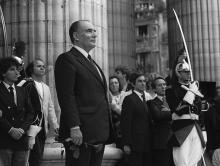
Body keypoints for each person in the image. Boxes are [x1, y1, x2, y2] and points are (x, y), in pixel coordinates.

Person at [54, 20, 113, 166]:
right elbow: (66, 96)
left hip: (98, 132)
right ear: (76, 36)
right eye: (89, 31)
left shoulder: (92, 62)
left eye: (94, 31)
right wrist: (74, 127)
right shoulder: (67, 59)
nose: (94, 34)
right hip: (80, 133)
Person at [166, 48, 205, 166]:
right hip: (181, 127)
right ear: (178, 72)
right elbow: (178, 110)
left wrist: (196, 93)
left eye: (189, 72)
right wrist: (191, 92)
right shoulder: (171, 90)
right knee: (181, 160)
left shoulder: (194, 88)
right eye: (185, 71)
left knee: (195, 159)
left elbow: (200, 109)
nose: (188, 74)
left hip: (196, 126)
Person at [18, 59, 59, 166]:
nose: (42, 68)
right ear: (31, 69)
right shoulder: (25, 83)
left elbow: (50, 108)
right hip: (27, 126)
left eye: (43, 66)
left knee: (37, 158)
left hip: (41, 127)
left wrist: (55, 125)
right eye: (39, 66)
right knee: (27, 158)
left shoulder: (46, 87)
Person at [0, 57, 35, 166]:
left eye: (17, 69)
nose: (17, 72)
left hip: (21, 139)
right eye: (12, 69)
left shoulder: (22, 90)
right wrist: (10, 129)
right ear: (3, 73)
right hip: (4, 140)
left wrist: (22, 129)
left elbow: (31, 113)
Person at [120, 72, 152, 166]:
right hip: (134, 144)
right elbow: (125, 122)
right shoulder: (129, 99)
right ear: (133, 84)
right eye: (140, 81)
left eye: (144, 81)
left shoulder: (147, 99)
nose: (143, 83)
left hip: (147, 143)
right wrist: (126, 143)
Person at [147, 77, 173, 166]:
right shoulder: (151, 103)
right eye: (160, 85)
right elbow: (158, 116)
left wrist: (167, 112)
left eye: (164, 84)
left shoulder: (173, 102)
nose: (163, 87)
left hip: (175, 140)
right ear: (154, 89)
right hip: (161, 142)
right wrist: (172, 112)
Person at [109, 75, 127, 149]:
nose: (114, 85)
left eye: (116, 83)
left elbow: (125, 113)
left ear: (119, 84)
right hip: (112, 128)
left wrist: (115, 107)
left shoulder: (125, 95)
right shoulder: (107, 97)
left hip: (123, 127)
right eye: (111, 83)